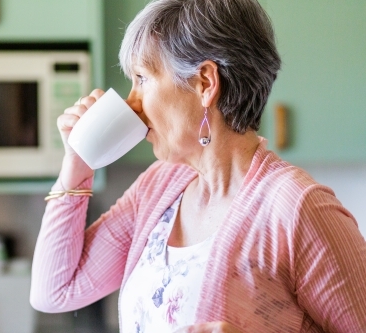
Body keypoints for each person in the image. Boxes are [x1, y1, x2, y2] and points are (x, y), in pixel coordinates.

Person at [30, 0, 366, 332]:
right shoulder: (159, 186)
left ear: (204, 82)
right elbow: (55, 291)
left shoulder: (298, 209)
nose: (132, 105)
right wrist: (78, 159)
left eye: (142, 79)